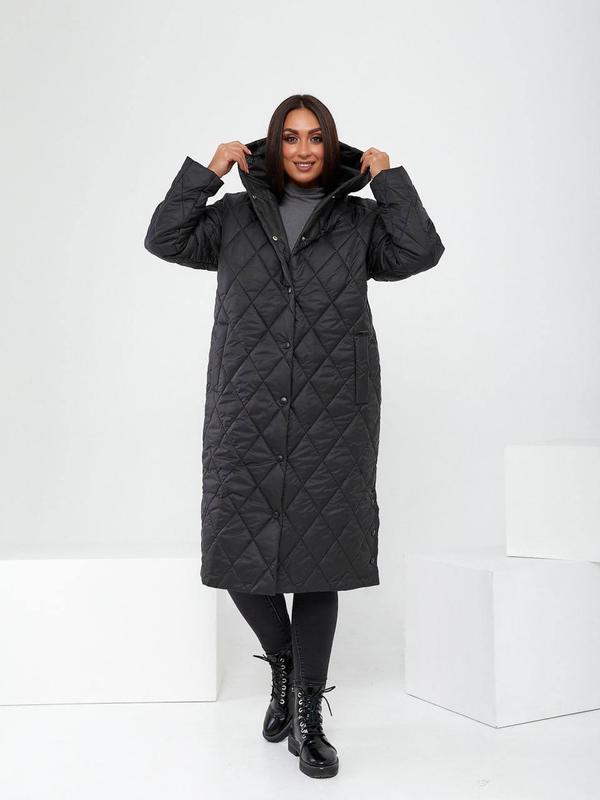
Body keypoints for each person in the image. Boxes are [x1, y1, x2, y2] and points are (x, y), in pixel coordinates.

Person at [144, 94, 445, 779]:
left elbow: (420, 251)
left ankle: (308, 714)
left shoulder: (359, 221)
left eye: (315, 138)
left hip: (332, 412)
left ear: (331, 146)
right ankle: (283, 662)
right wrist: (206, 173)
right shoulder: (233, 217)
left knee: (319, 560)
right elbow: (164, 238)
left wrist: (389, 180)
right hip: (246, 406)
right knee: (235, 547)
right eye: (290, 137)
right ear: (272, 146)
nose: (304, 150)